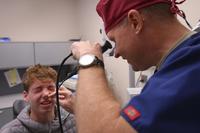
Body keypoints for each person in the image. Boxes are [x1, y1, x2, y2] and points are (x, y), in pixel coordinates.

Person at [71, 0, 200, 133]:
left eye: (115, 40)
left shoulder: (189, 69)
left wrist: (88, 57)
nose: (116, 53)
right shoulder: (181, 63)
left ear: (135, 22)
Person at [0, 64, 76, 133]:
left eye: (50, 88)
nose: (46, 94)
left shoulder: (74, 121)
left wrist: (76, 109)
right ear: (26, 96)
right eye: (38, 89)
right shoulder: (10, 131)